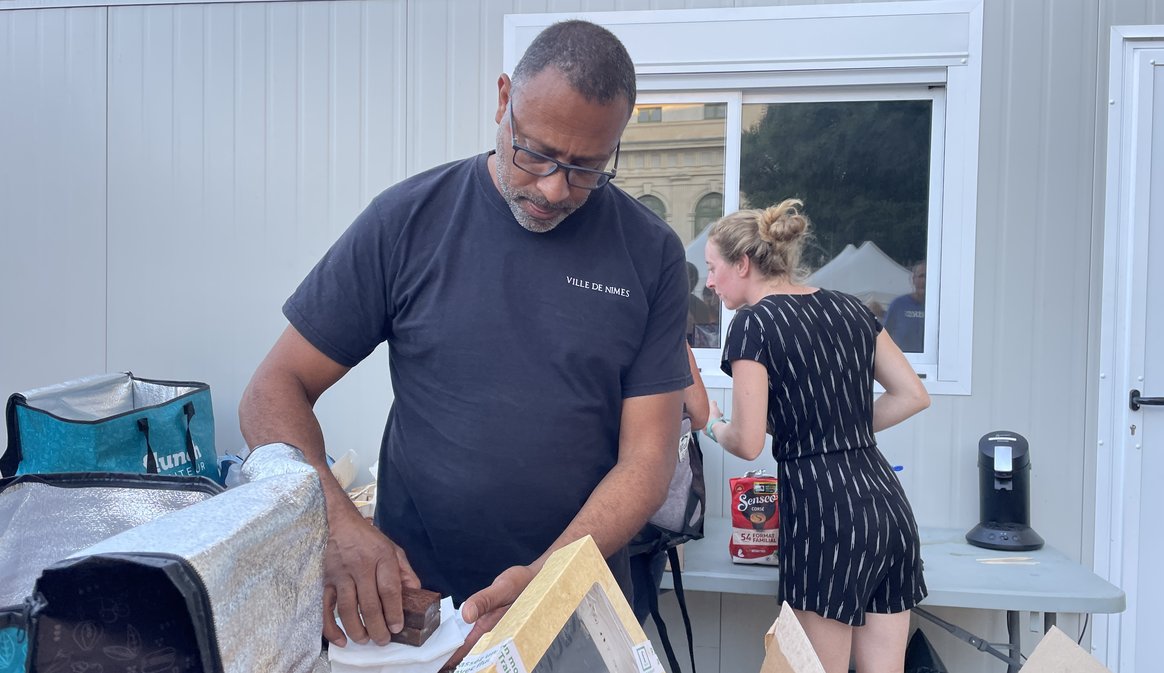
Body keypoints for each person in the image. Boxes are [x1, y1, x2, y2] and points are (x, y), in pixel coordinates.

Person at [237, 19, 691, 665]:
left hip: (571, 608)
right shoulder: (408, 221)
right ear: (503, 99)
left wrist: (544, 583)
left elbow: (647, 460)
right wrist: (334, 521)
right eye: (534, 152)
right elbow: (270, 391)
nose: (553, 188)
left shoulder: (651, 254)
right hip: (417, 617)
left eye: (587, 167)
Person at [701, 199, 930, 673]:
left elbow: (746, 443)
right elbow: (911, 395)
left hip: (827, 513)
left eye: (712, 267)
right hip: (887, 507)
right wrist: (838, 423)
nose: (708, 281)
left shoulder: (753, 324)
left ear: (743, 264)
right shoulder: (850, 308)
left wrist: (712, 424)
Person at [628, 344, 709, 625]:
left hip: (572, 516)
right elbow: (699, 413)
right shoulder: (662, 329)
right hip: (648, 523)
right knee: (628, 630)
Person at [883, 260, 927, 352]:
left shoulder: (939, 308)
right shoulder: (898, 305)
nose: (924, 280)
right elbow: (884, 336)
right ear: (913, 280)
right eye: (921, 276)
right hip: (902, 361)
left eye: (927, 276)